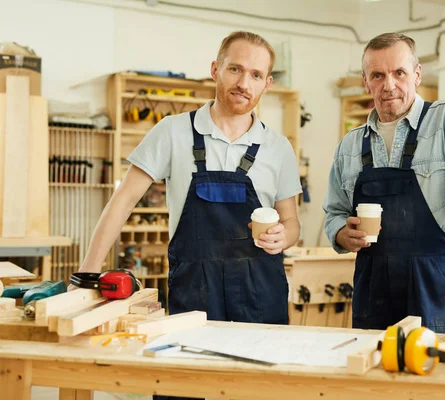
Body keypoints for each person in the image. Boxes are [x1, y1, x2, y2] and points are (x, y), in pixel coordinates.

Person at [75, 30, 301, 340]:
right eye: (235, 69)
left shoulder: (278, 147)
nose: (243, 83)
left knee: (258, 387)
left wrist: (283, 237)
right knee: (184, 382)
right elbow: (123, 200)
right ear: (215, 70)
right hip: (195, 289)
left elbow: (291, 222)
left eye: (256, 75)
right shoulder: (172, 132)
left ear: (267, 83)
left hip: (260, 292)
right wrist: (87, 273)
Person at [323, 32, 445, 332]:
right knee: (371, 371)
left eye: (399, 73)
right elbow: (334, 214)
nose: (389, 85)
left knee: (435, 368)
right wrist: (345, 234)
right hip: (373, 291)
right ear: (366, 81)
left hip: (436, 288)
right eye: (378, 75)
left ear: (417, 74)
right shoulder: (350, 146)